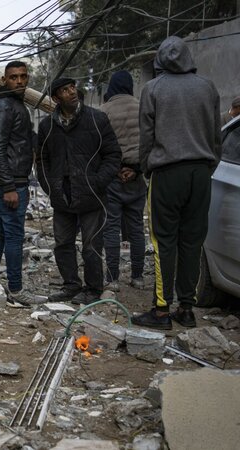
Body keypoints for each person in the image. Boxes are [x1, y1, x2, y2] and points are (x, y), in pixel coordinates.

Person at [133, 36, 222, 330]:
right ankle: (186, 308)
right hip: (201, 173)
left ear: (159, 60)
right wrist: (208, 166)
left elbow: (146, 136)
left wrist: (147, 167)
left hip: (167, 173)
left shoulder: (153, 89)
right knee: (192, 241)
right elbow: (216, 135)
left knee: (164, 242)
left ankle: (161, 310)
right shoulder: (207, 87)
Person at [36, 77, 121, 305]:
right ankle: (71, 285)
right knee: (63, 243)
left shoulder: (96, 119)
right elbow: (42, 160)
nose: (72, 92)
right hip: (62, 195)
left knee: (91, 245)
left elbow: (113, 155)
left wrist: (98, 182)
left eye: (72, 87)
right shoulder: (47, 126)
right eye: (65, 90)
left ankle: (93, 288)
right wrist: (50, 187)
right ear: (56, 98)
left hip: (91, 195)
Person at [0, 61, 39, 307]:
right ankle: (15, 289)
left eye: (23, 76)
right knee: (14, 236)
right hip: (12, 182)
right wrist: (8, 187)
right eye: (14, 77)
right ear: (4, 80)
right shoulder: (4, 105)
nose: (19, 81)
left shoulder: (14, 103)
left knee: (0, 232)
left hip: (13, 180)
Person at [99, 70, 146, 292]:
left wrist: (115, 169)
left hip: (112, 179)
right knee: (136, 228)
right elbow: (150, 142)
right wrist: (136, 170)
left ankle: (112, 279)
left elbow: (99, 147)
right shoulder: (142, 107)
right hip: (137, 178)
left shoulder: (103, 111)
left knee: (111, 228)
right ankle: (138, 277)